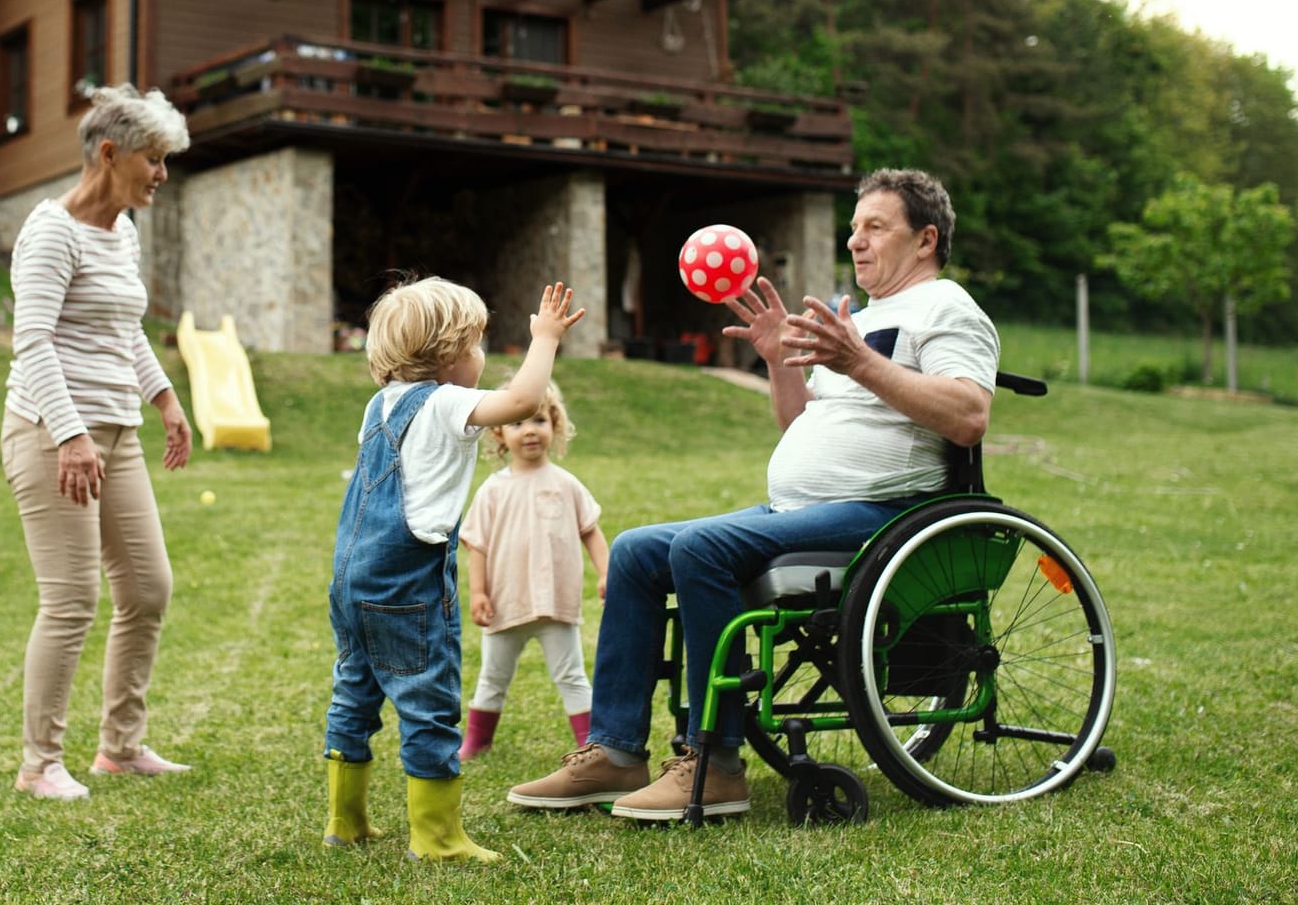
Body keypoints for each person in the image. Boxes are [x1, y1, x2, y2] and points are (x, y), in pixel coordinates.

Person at [506, 168, 999, 823]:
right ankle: (616, 750)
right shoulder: (864, 318)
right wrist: (776, 359)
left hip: (885, 516)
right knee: (634, 551)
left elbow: (968, 414)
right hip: (802, 511)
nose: (855, 242)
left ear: (927, 239)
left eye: (875, 227)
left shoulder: (949, 309)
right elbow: (802, 426)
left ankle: (715, 763)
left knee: (705, 549)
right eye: (853, 229)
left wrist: (859, 363)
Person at [323, 277, 586, 862]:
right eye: (477, 345)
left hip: (352, 579)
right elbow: (520, 402)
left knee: (355, 692)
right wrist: (544, 338)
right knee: (429, 700)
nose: (482, 357)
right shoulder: (444, 402)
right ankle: (437, 837)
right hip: (407, 581)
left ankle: (346, 820)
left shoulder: (380, 404)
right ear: (448, 355)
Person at [3, 84, 196, 801]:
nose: (161, 175)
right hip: (51, 436)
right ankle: (39, 764)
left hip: (116, 433)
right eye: (154, 159)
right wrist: (70, 435)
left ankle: (120, 746)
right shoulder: (50, 231)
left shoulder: (123, 230)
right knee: (72, 598)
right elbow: (33, 342)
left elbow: (122, 330)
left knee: (147, 588)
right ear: (109, 154)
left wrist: (168, 399)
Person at [456, 377, 610, 761]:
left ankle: (590, 745)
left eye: (539, 420)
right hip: (506, 603)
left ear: (554, 425)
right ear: (498, 434)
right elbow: (477, 544)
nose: (529, 431)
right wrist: (478, 593)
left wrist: (608, 573)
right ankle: (477, 740)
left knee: (572, 676)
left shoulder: (566, 484)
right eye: (518, 422)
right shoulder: (492, 489)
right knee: (492, 677)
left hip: (556, 604)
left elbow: (590, 531)